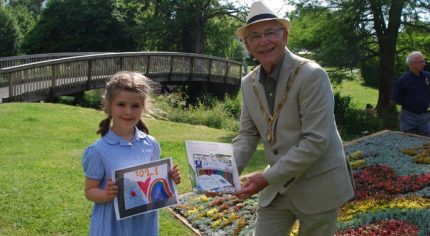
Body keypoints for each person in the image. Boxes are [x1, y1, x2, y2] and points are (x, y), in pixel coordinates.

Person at [231, 2, 355, 235]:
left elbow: (316, 141)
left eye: (270, 33)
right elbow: (247, 135)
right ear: (247, 45)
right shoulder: (248, 83)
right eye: (255, 36)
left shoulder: (312, 74)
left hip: (318, 185)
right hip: (277, 189)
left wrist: (266, 177)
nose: (264, 41)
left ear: (284, 35)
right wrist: (225, 173)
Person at [82, 71, 181, 236]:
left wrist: (168, 179)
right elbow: (90, 191)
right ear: (109, 106)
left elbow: (151, 184)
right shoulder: (98, 150)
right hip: (113, 226)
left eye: (135, 106)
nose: (128, 111)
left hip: (144, 224)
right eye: (121, 104)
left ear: (143, 107)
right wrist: (105, 194)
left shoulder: (151, 144)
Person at [391, 51, 430, 136]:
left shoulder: (427, 76)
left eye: (423, 61)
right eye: (421, 61)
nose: (424, 63)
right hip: (408, 117)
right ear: (412, 64)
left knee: (426, 143)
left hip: (425, 116)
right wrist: (412, 102)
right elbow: (395, 100)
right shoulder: (403, 80)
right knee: (408, 142)